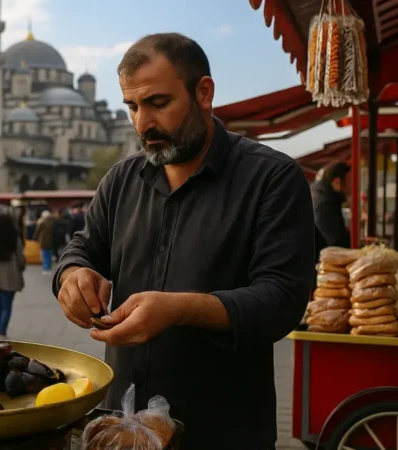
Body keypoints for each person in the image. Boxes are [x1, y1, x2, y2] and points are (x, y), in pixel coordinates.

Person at [53, 33, 314, 450]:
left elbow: (282, 299)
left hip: (222, 429)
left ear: (204, 92)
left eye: (158, 103)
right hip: (121, 428)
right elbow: (83, 246)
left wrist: (180, 309)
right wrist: (72, 275)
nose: (143, 124)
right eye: (132, 107)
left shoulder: (272, 179)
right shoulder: (121, 180)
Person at [0, 213, 25, 338]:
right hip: (11, 276)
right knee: (7, 306)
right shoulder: (13, 237)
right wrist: (21, 266)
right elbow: (20, 257)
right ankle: (2, 331)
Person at [311, 161, 351, 248]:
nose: (350, 187)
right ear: (337, 182)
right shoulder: (325, 203)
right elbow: (334, 242)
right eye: (349, 182)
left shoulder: (323, 196)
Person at [33, 210, 56, 275]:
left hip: (43, 241)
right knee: (49, 255)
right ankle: (49, 268)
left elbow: (37, 231)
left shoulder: (42, 222)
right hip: (51, 241)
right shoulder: (53, 221)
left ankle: (45, 269)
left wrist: (35, 238)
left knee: (44, 255)